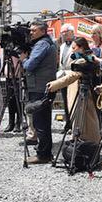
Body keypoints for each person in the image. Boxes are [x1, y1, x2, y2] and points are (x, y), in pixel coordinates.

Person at [23, 21, 59, 164]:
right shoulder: (45, 43)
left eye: (34, 30)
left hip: (39, 87)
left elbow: (30, 65)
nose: (31, 33)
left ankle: (43, 155)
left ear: (43, 31)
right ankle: (44, 152)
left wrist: (24, 59)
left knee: (41, 122)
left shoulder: (42, 44)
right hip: (42, 86)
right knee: (42, 121)